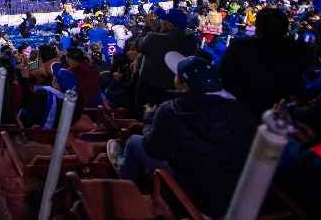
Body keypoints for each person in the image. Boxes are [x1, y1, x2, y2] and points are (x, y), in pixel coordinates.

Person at [106, 52, 256, 218]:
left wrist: (149, 119)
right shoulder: (241, 110)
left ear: (184, 85)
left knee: (134, 142)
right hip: (228, 195)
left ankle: (126, 187)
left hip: (189, 191)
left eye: (177, 76)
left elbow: (153, 149)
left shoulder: (171, 109)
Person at [219, 7, 311, 118]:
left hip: (245, 109)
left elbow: (223, 76)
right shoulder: (300, 49)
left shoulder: (240, 47)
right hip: (282, 112)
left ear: (258, 28)